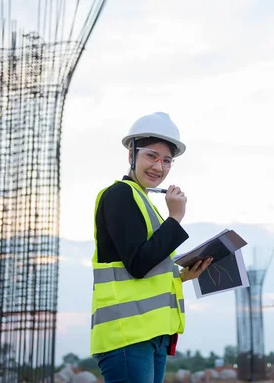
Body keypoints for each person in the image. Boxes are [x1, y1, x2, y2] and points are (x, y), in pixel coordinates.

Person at [90, 112, 213, 382]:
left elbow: (144, 268)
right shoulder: (120, 195)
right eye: (151, 156)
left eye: (167, 160)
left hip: (151, 336)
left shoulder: (146, 205)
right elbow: (138, 264)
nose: (159, 166)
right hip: (127, 336)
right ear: (131, 155)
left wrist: (181, 276)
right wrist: (175, 218)